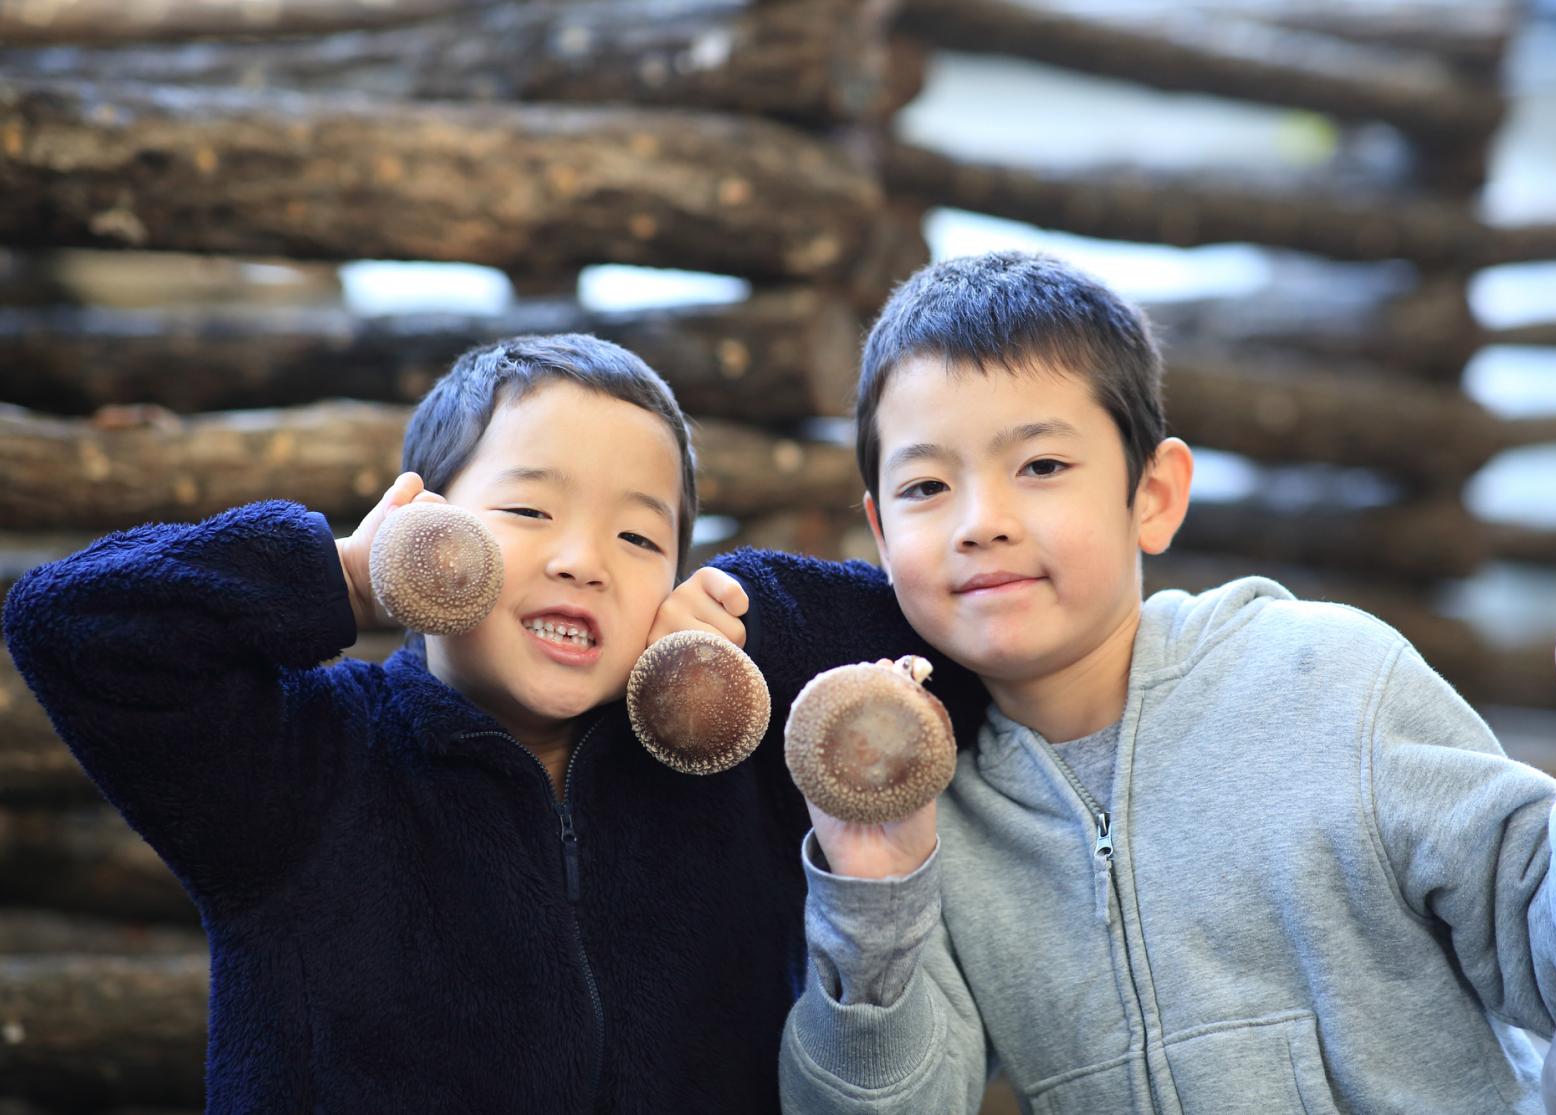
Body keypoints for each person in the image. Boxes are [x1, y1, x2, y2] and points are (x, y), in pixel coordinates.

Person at [720, 251, 1556, 1113]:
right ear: (880, 536)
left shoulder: (1330, 677)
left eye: (1041, 464)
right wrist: (875, 899)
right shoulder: (932, 812)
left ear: (1153, 495)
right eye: (926, 486)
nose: (980, 520)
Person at [2, 333, 986, 1114]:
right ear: (428, 526)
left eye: (639, 536)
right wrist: (343, 570)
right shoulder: (302, 765)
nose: (582, 559)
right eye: (526, 510)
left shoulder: (731, 754)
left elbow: (962, 631)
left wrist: (744, 609)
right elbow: (70, 623)